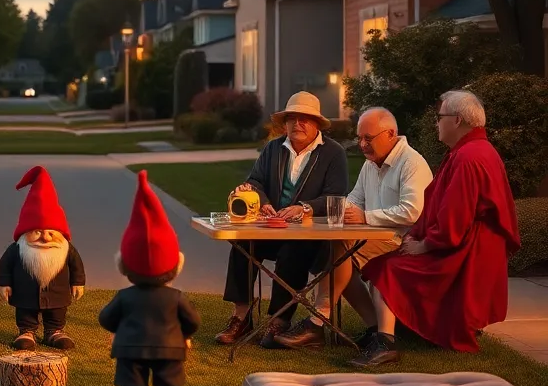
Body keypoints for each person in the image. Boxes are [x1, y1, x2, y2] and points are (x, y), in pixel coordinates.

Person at [354, 90, 520, 368]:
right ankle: (389, 332)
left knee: (386, 269)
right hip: (467, 245)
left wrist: (424, 245)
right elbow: (442, 207)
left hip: (463, 252)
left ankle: (385, 343)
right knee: (386, 263)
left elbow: (455, 217)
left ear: (457, 120)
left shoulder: (469, 157)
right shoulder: (473, 151)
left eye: (440, 117)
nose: (437, 123)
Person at [273, 107, 433, 350]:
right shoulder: (371, 164)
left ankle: (317, 322)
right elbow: (354, 200)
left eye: (368, 138)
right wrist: (322, 213)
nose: (362, 145)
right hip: (377, 237)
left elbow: (412, 211)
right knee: (338, 256)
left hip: (406, 240)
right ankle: (373, 328)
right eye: (360, 138)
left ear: (390, 134)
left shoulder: (411, 163)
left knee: (341, 252)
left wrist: (365, 217)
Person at [215, 91, 348, 348]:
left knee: (293, 249)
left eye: (305, 118)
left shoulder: (333, 153)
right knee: (241, 243)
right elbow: (255, 181)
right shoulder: (273, 148)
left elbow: (336, 196)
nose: (298, 124)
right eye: (292, 118)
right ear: (285, 123)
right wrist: (263, 202)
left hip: (311, 237)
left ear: (317, 124)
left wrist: (304, 208)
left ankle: (279, 320)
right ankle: (241, 318)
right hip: (271, 229)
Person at [98, 170, 200, 386]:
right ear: (175, 264)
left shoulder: (124, 297)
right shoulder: (176, 297)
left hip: (130, 349)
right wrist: (183, 334)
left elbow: (105, 318)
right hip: (170, 349)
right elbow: (193, 321)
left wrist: (118, 330)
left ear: (124, 266)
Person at [0, 166, 85, 351]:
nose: (45, 238)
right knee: (25, 312)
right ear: (26, 232)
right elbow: (5, 265)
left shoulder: (66, 249)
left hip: (58, 293)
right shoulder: (17, 249)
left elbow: (76, 265)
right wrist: (4, 284)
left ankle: (55, 331)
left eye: (51, 233)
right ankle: (26, 332)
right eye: (37, 232)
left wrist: (78, 282)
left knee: (57, 311)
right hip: (24, 293)